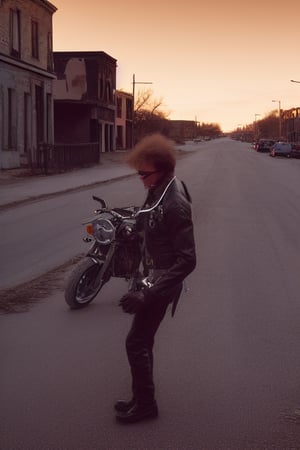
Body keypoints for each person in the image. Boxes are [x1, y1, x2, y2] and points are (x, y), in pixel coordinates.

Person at [116, 133, 196, 424]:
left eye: (144, 173)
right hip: (154, 278)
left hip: (161, 284)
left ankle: (147, 404)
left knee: (135, 342)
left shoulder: (174, 203)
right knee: (141, 341)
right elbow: (149, 223)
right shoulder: (158, 190)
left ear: (162, 169)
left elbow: (187, 260)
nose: (140, 178)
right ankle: (141, 398)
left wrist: (146, 293)